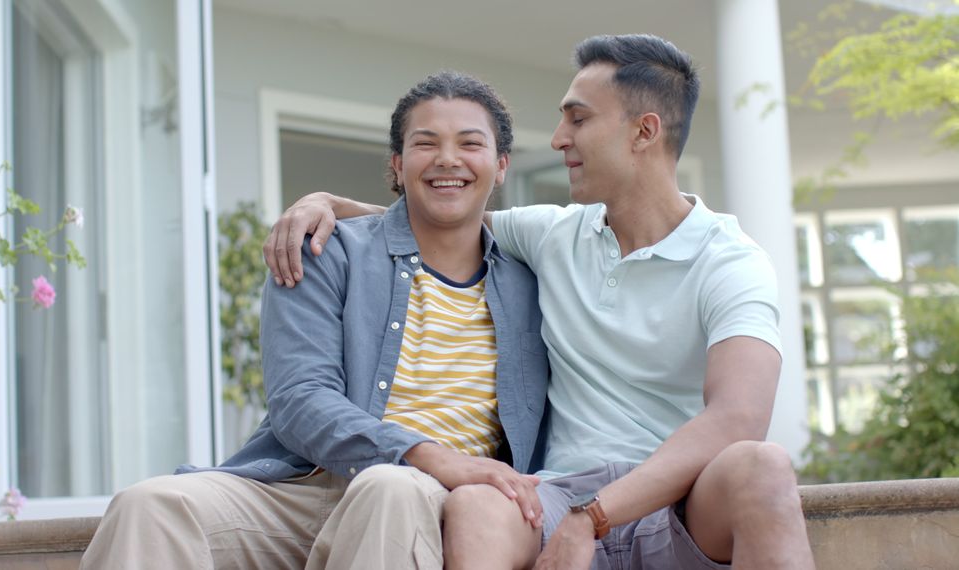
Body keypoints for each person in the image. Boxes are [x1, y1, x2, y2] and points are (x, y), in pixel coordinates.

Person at [263, 34, 815, 569]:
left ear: (643, 132)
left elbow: (739, 417)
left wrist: (594, 517)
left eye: (578, 119)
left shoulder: (732, 261)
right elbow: (439, 219)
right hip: (553, 497)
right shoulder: (553, 234)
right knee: (477, 502)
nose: (557, 138)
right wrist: (322, 203)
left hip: (678, 501)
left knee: (761, 466)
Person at [80, 71, 549, 570]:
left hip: (434, 498)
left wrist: (439, 468)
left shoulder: (532, 282)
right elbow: (299, 399)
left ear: (501, 166)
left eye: (469, 144)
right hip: (304, 485)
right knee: (149, 506)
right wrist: (423, 451)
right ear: (397, 164)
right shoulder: (328, 250)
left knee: (388, 487)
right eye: (425, 143)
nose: (448, 159)